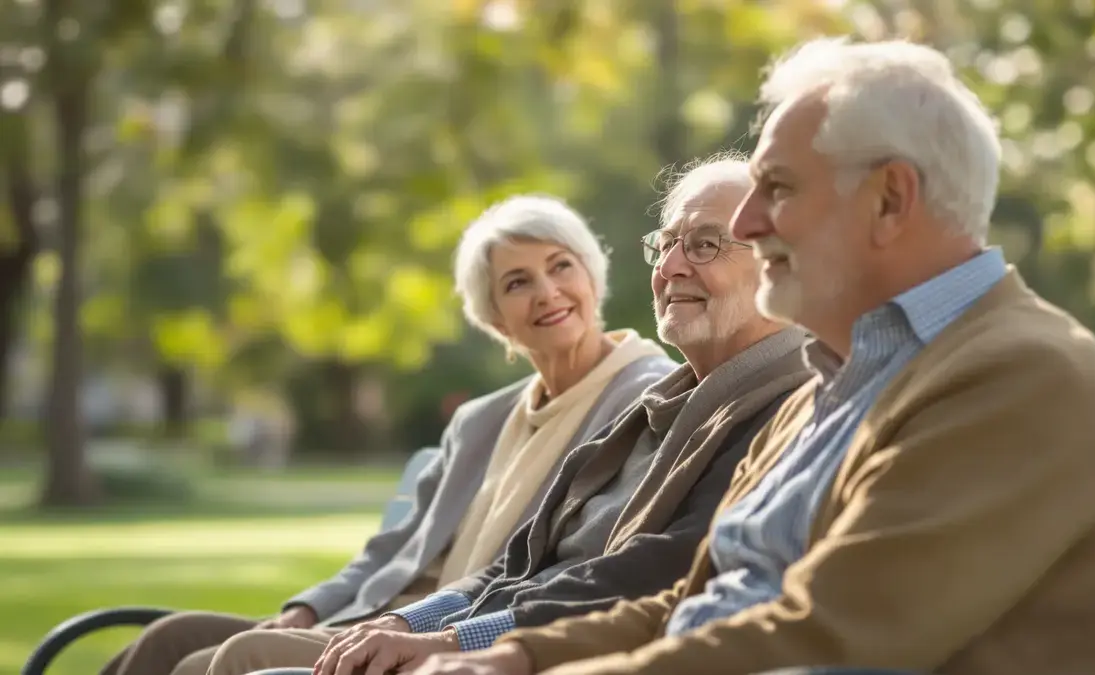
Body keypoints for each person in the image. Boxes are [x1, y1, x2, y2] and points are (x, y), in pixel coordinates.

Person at [412, 37, 1095, 675]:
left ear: (890, 200)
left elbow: (833, 634)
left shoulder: (1019, 377)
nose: (748, 218)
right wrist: (515, 657)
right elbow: (697, 603)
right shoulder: (832, 384)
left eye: (775, 187)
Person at [206, 155, 829, 675]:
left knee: (249, 665)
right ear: (494, 322)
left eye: (703, 244)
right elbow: (516, 561)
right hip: (487, 639)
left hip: (547, 656)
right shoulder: (661, 404)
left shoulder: (787, 400)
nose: (668, 269)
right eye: (665, 245)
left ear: (777, 260)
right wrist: (404, 621)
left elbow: (650, 572)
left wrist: (452, 642)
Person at [99, 195, 677, 675]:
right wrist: (309, 607)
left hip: (461, 631)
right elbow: (390, 550)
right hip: (377, 616)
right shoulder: (480, 420)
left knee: (226, 660)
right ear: (495, 317)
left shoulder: (645, 395)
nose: (547, 292)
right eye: (518, 282)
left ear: (592, 277)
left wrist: (425, 629)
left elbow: (591, 562)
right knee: (167, 641)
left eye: (560, 266)